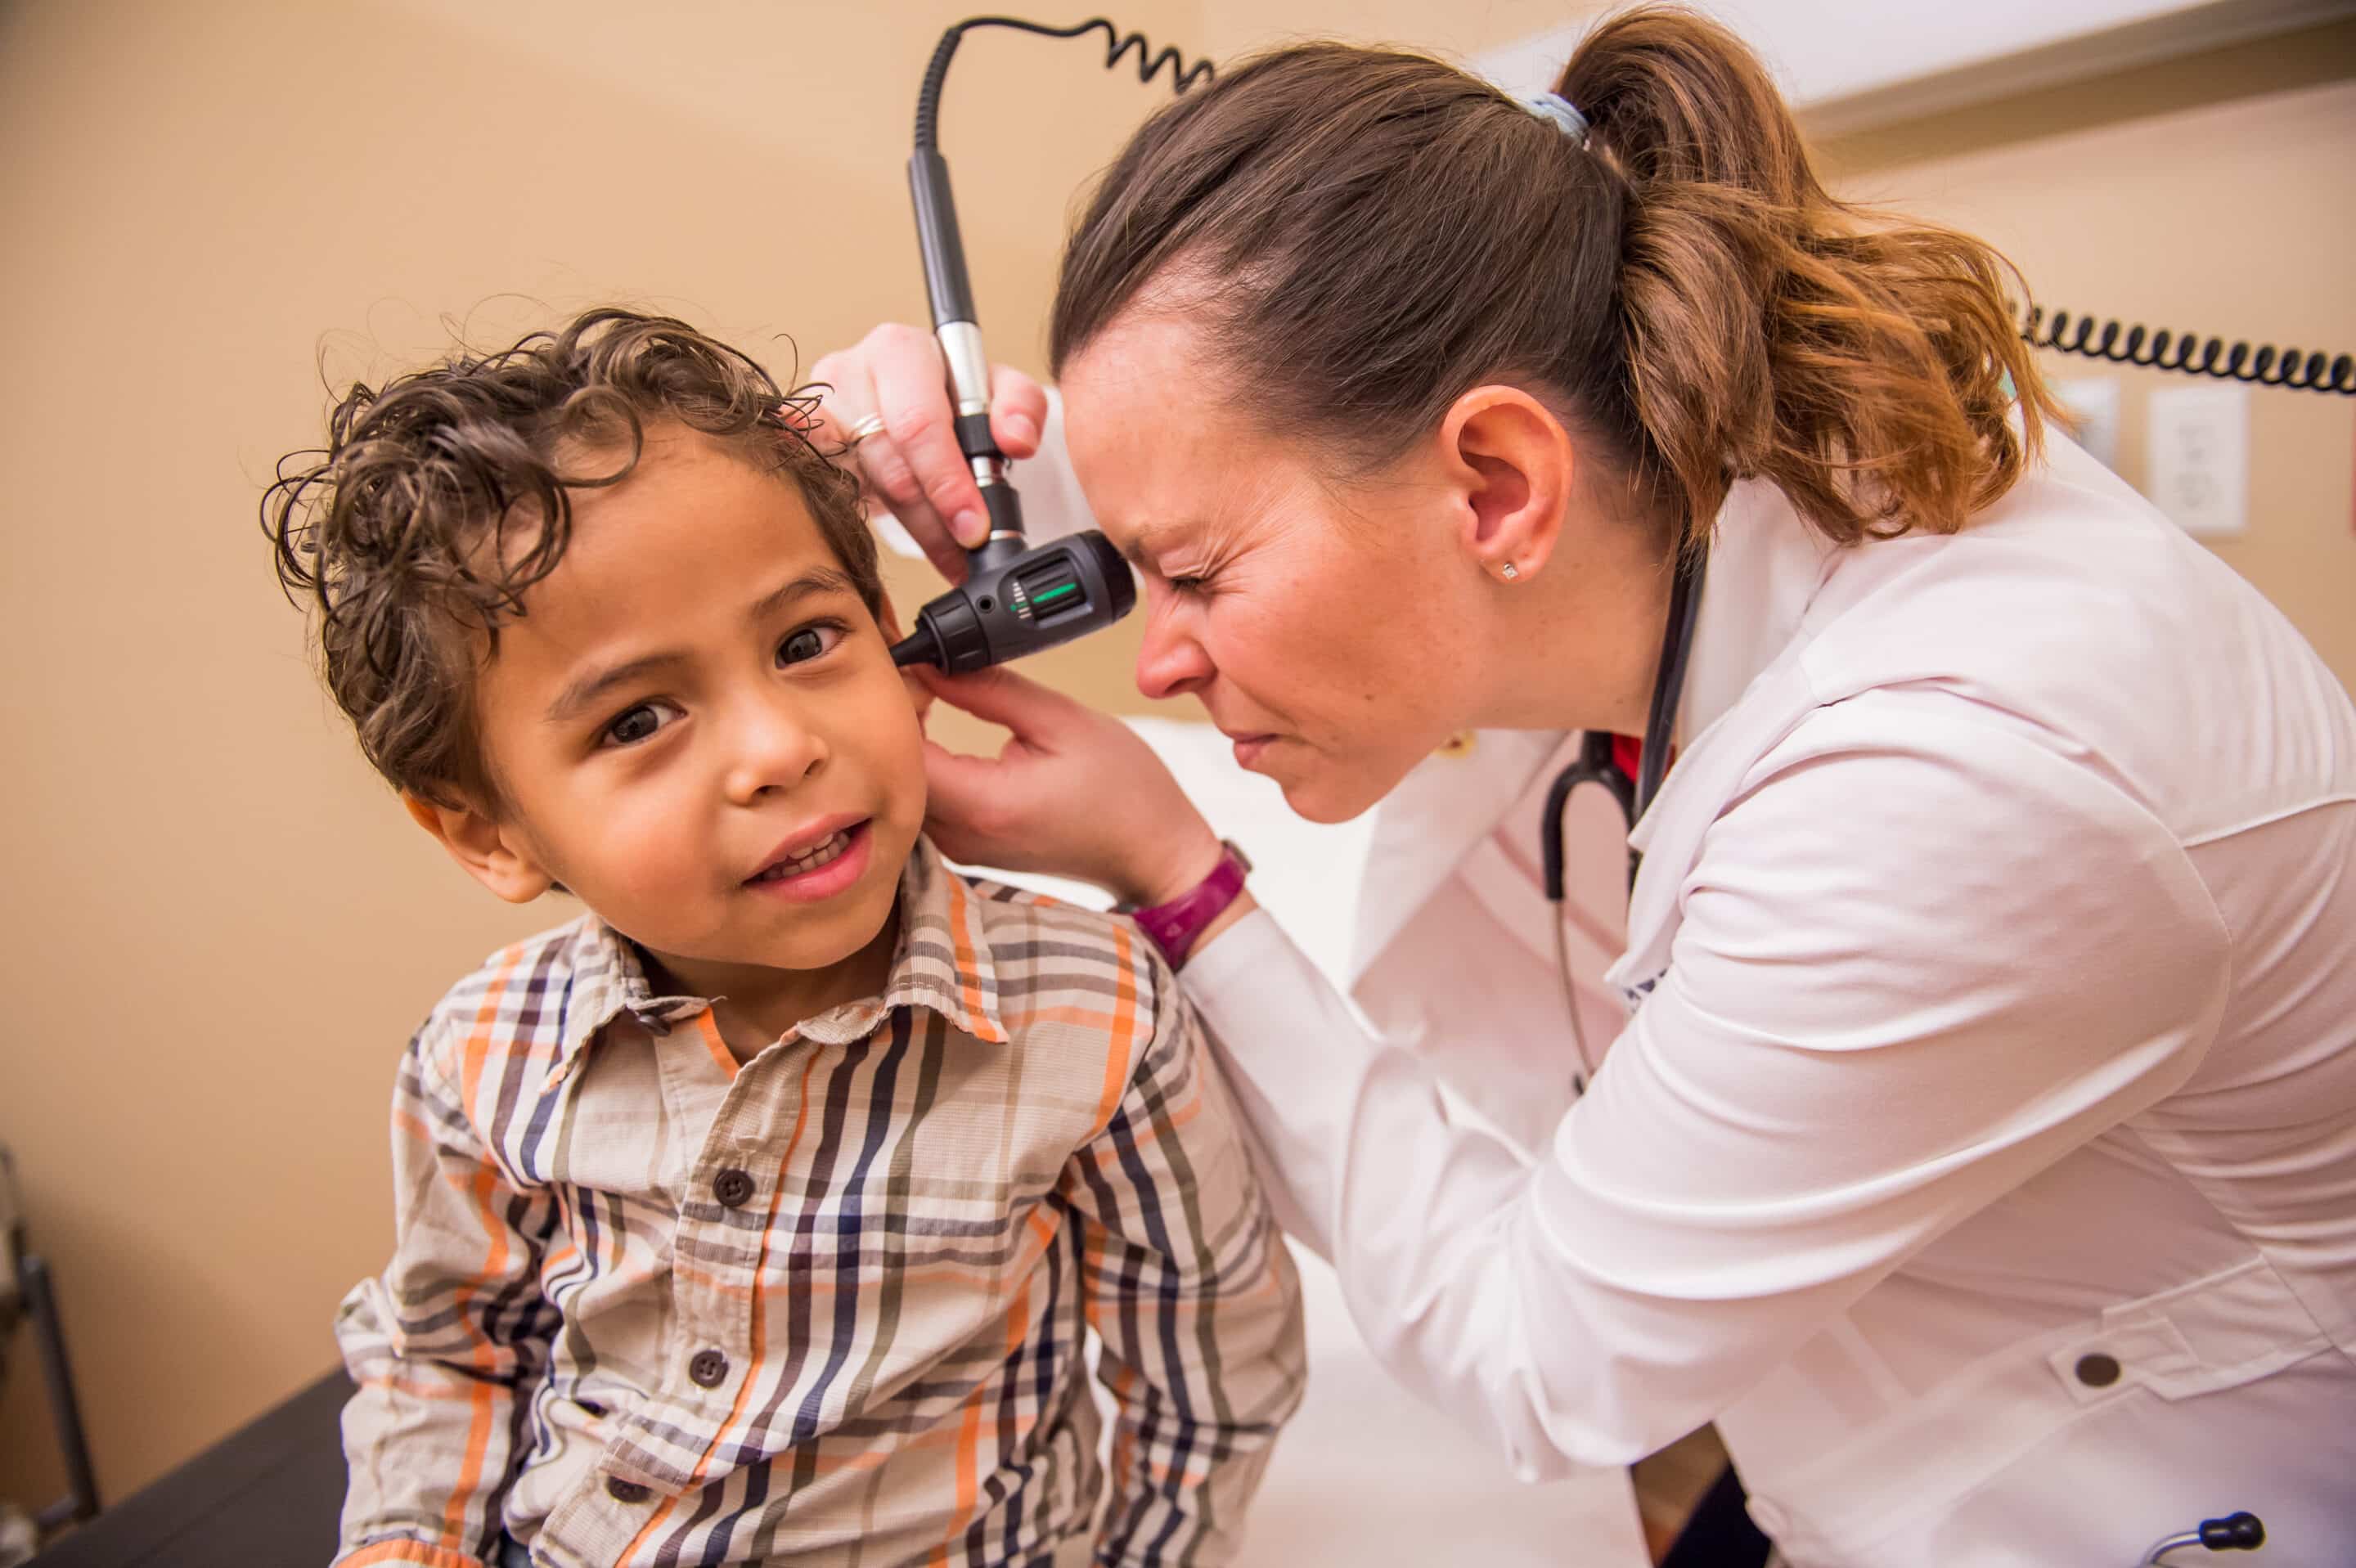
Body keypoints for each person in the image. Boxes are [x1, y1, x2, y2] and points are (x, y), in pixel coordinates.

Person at [813, 11, 2356, 1564]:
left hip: (2098, 1480)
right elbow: (1216, 465)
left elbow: (1543, 1352)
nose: (1160, 656)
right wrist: (855, 455)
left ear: (1498, 485)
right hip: (1848, 1376)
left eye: (1193, 578)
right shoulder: (1659, 440)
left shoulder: (1959, 779)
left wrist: (1177, 879)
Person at [264, 308, 1303, 1568]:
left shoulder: (1093, 1021)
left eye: (807, 642)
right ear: (491, 833)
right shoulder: (479, 1059)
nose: (778, 747)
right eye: (641, 717)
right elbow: (453, 1356)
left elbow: (1210, 1372)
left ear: (892, 632)